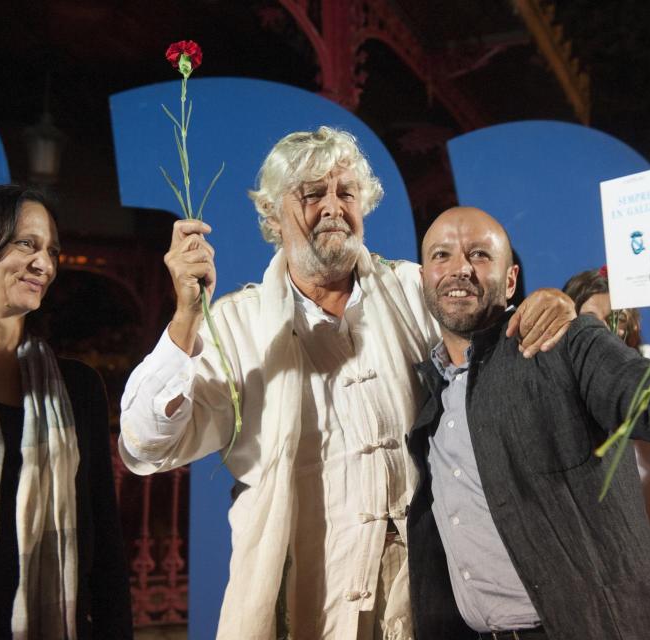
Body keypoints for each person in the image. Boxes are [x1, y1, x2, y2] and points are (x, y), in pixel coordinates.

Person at [118, 127, 573, 639]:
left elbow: (492, 348)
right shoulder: (233, 326)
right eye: (313, 194)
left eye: (347, 193)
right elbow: (146, 444)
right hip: (306, 608)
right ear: (272, 215)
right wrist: (184, 319)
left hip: (430, 601)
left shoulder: (410, 288)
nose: (333, 207)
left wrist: (549, 304)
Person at [405, 206, 650, 639]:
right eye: (441, 255)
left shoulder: (564, 342)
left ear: (510, 279)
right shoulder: (427, 397)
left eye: (478, 254)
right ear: (423, 279)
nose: (460, 269)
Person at [0, 185, 132, 639]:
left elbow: (106, 546)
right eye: (26, 244)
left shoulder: (77, 389)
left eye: (52, 250)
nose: (45, 264)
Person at [563, 267, 650, 636]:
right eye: (590, 322)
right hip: (603, 616)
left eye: (617, 321)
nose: (603, 335)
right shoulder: (559, 414)